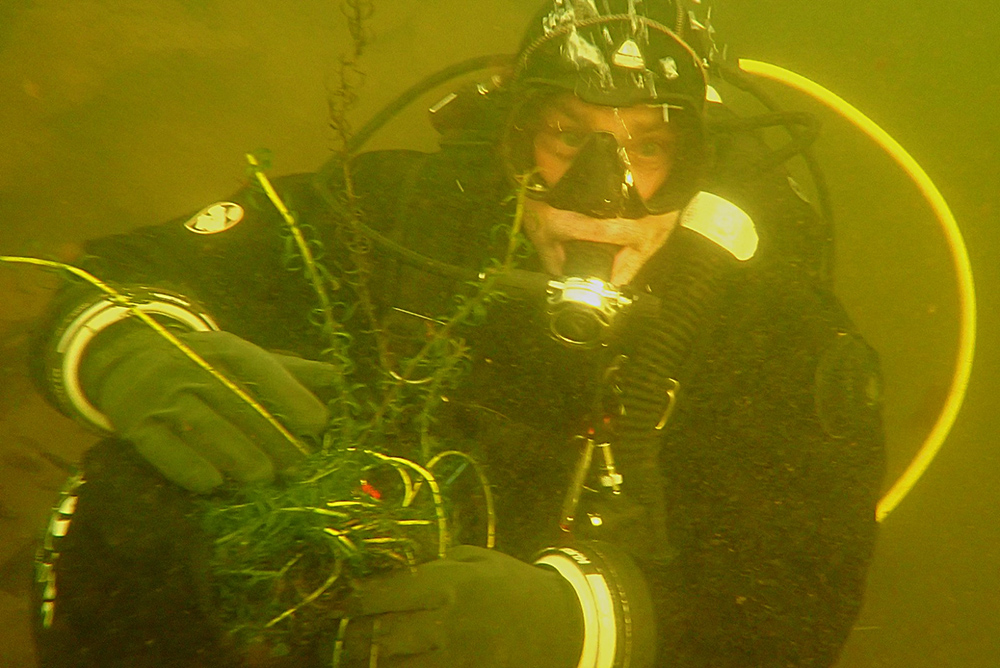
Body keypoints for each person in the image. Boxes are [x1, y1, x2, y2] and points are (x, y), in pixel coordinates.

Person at [30, 1, 885, 667]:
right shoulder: (403, 218)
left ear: (701, 163)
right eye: (566, 136)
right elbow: (125, 268)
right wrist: (136, 349)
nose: (599, 191)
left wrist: (575, 629)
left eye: (649, 146)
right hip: (331, 614)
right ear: (515, 137)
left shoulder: (767, 322)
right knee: (133, 490)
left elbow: (801, 597)